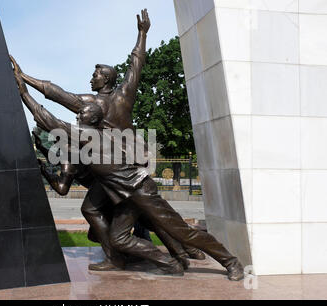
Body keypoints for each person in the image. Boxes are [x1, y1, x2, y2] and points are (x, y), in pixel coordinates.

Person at [14, 72, 244, 280]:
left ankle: (231, 262)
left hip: (140, 190)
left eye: (81, 112)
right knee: (119, 238)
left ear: (91, 119)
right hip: (124, 195)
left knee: (181, 232)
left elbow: (49, 121)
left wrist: (23, 91)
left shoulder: (88, 134)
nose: (77, 115)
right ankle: (169, 262)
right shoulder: (93, 135)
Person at [10, 9, 152, 271]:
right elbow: (56, 93)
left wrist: (142, 34)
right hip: (117, 168)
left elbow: (136, 64)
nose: (92, 77)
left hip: (123, 168)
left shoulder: (107, 101)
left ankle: (155, 255)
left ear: (106, 78)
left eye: (96, 74)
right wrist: (24, 77)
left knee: (149, 216)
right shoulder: (102, 100)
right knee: (140, 215)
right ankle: (132, 254)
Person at [32, 130, 205, 270]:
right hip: (113, 188)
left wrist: (45, 173)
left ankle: (123, 257)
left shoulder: (68, 157)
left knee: (129, 224)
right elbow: (61, 162)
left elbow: (62, 188)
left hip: (107, 194)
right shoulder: (76, 152)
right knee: (150, 219)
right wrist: (42, 149)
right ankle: (186, 251)